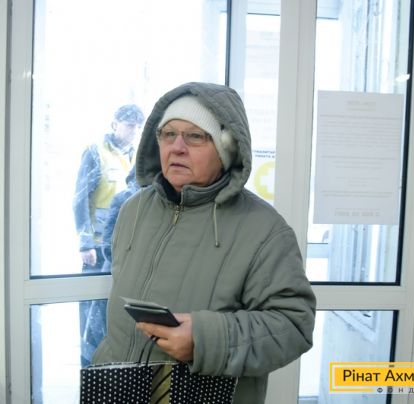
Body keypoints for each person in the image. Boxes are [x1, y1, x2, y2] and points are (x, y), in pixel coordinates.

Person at [91, 82, 316, 403]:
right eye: (168, 134)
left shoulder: (264, 230)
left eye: (195, 136)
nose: (177, 147)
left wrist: (205, 341)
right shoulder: (133, 210)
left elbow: (294, 326)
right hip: (120, 392)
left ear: (226, 148)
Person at [73, 103, 145, 366]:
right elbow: (80, 198)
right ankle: (90, 365)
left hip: (123, 247)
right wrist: (85, 243)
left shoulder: (138, 157)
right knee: (92, 311)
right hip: (98, 246)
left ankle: (114, 367)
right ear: (115, 124)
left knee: (113, 311)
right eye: (129, 125)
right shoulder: (96, 153)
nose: (134, 131)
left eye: (138, 127)